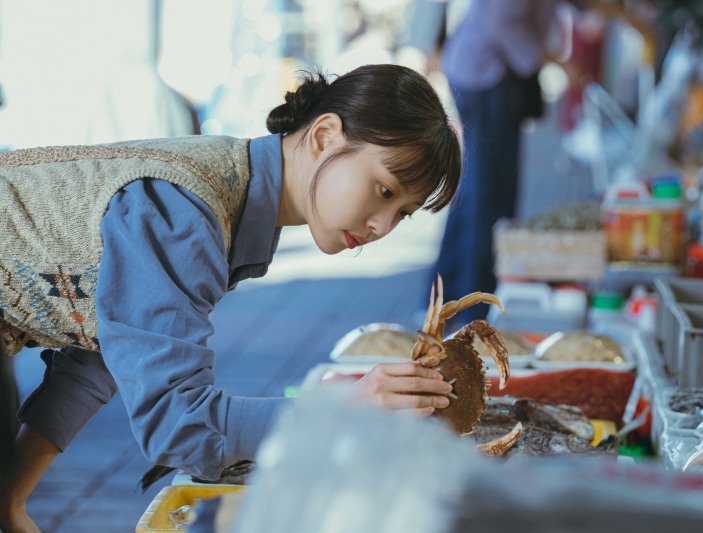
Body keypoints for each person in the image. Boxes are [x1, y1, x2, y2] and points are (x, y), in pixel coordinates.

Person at [0, 63, 461, 533]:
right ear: (324, 136)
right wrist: (333, 408)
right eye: (383, 190)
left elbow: (98, 351)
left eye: (402, 213)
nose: (382, 226)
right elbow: (175, 423)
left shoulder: (229, 194)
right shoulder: (188, 212)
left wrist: (11, 497)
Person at [400, 0, 586, 326]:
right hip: (486, 78)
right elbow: (501, 22)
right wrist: (556, 59)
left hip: (479, 73)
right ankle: (473, 310)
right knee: (489, 199)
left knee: (476, 195)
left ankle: (444, 302)